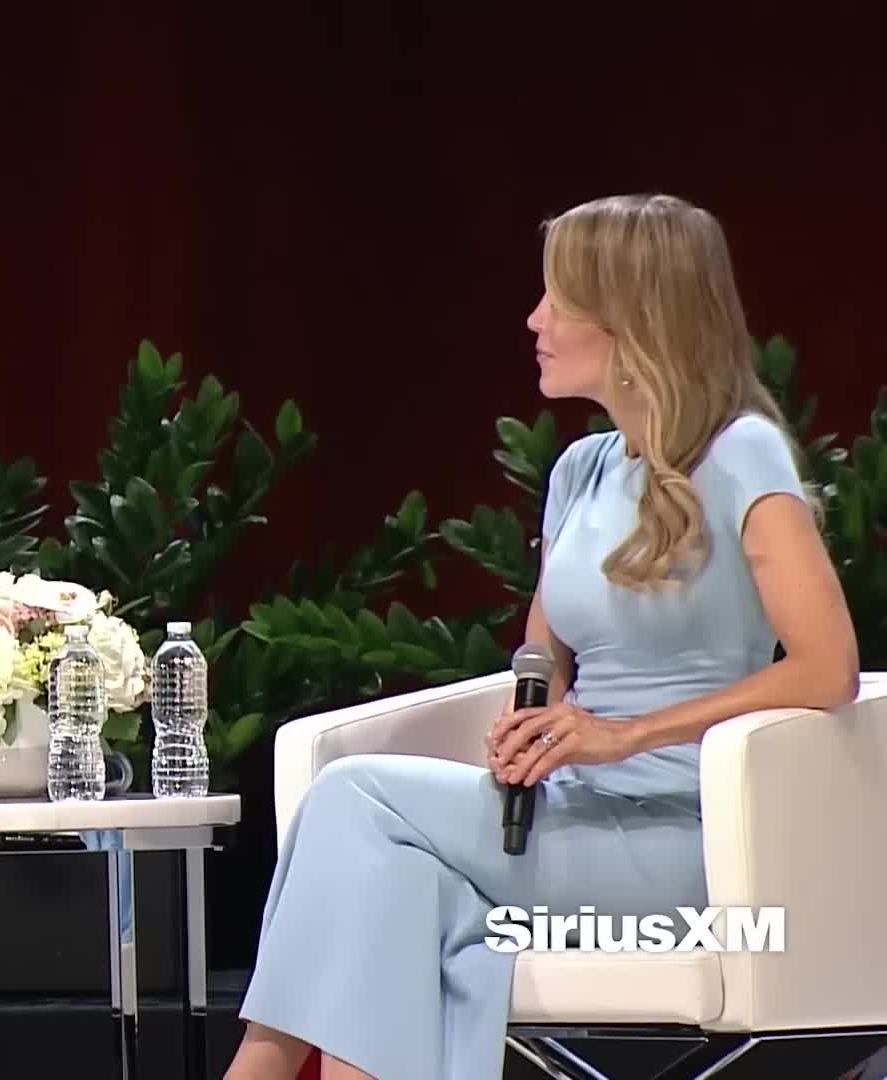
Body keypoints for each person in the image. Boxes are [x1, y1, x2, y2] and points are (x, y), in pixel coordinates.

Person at [221, 193, 860, 1080]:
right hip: (564, 817)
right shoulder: (581, 471)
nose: (534, 320)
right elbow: (542, 659)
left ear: (634, 318)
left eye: (559, 299)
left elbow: (828, 670)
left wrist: (627, 734)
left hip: (689, 842)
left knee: (353, 793)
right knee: (398, 883)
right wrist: (535, 723)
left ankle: (255, 1068)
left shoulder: (742, 453)